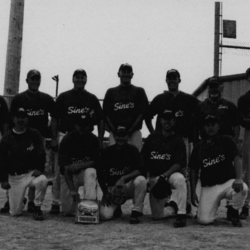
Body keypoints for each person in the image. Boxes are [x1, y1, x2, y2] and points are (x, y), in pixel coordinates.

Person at [50, 68, 104, 214]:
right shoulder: (64, 97)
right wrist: (54, 138)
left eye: (82, 77)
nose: (80, 80)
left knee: (88, 171)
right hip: (66, 136)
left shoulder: (91, 98)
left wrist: (99, 138)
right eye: (77, 77)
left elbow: (100, 119)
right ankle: (56, 201)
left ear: (86, 79)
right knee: (59, 171)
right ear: (73, 79)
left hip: (86, 138)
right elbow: (55, 118)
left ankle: (90, 202)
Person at [146, 69, 199, 215]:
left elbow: (202, 109)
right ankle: (168, 201)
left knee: (183, 173)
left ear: (179, 80)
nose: (172, 81)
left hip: (182, 139)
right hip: (162, 140)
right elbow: (147, 116)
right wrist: (153, 133)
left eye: (174, 78)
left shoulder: (187, 99)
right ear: (166, 80)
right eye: (169, 78)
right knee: (162, 169)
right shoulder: (160, 98)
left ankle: (185, 205)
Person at [2, 69, 55, 214]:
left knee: (35, 170)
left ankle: (32, 202)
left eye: (37, 79)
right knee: (15, 165)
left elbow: (56, 115)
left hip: (37, 137)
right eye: (32, 79)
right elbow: (11, 118)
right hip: (19, 136)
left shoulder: (46, 98)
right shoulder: (19, 98)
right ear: (27, 81)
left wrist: (51, 132)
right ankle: (12, 199)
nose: (35, 82)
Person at [189, 114, 248, 227]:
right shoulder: (199, 146)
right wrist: (193, 193)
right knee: (204, 220)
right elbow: (193, 170)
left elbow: (237, 157)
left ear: (218, 126)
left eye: (213, 125)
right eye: (208, 125)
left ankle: (233, 210)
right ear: (204, 128)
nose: (210, 128)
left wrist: (239, 178)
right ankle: (207, 209)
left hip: (227, 183)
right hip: (209, 186)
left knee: (243, 188)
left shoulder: (227, 140)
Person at [142, 109, 187, 227]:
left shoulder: (178, 139)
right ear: (161, 121)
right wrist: (147, 178)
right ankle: (173, 207)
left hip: (170, 175)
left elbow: (179, 163)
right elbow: (144, 159)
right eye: (165, 119)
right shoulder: (152, 137)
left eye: (170, 119)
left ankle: (182, 214)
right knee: (157, 216)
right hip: (155, 177)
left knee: (181, 179)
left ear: (174, 121)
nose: (167, 122)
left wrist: (165, 175)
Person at [0, 107, 48, 220]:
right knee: (15, 213)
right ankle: (21, 201)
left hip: (30, 173)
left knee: (42, 180)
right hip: (14, 176)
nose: (20, 120)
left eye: (23, 117)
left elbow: (41, 153)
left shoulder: (34, 134)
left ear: (27, 119)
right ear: (13, 119)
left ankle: (37, 207)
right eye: (18, 117)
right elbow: (2, 159)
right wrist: (3, 179)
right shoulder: (7, 137)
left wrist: (40, 169)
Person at [97, 125, 147, 224]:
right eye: (118, 135)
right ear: (114, 136)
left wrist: (124, 178)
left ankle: (136, 211)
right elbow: (100, 173)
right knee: (104, 215)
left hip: (127, 186)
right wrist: (105, 192)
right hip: (112, 189)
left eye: (123, 136)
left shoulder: (133, 150)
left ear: (127, 137)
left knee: (141, 180)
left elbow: (141, 169)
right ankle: (116, 207)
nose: (121, 138)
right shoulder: (107, 151)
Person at [58, 114, 101, 216]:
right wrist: (72, 190)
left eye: (85, 125)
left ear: (90, 126)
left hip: (84, 173)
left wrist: (81, 165)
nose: (82, 128)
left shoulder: (94, 139)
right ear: (75, 125)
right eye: (79, 125)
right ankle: (74, 201)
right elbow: (64, 168)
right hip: (70, 175)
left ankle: (89, 206)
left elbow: (96, 162)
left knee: (91, 172)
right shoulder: (67, 139)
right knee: (68, 211)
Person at [103, 63, 148, 151]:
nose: (126, 74)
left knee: (135, 159)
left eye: (128, 72)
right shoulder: (111, 92)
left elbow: (142, 113)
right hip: (116, 133)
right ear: (118, 74)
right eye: (123, 72)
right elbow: (105, 114)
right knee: (114, 159)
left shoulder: (139, 91)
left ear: (132, 75)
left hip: (134, 133)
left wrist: (130, 131)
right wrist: (114, 131)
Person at [194, 76, 240, 143]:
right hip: (207, 145)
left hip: (225, 145)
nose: (213, 89)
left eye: (216, 86)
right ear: (208, 89)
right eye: (211, 87)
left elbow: (236, 126)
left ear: (222, 88)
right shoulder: (200, 106)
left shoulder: (230, 105)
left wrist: (234, 143)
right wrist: (196, 144)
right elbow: (195, 127)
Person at [237, 67, 250, 219]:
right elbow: (241, 119)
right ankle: (246, 205)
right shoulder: (244, 99)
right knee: (248, 170)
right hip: (249, 133)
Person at [0, 96, 10, 213]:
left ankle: (10, 199)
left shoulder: (1, 101)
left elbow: (5, 123)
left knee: (6, 170)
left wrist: (6, 141)